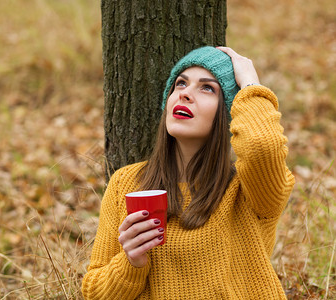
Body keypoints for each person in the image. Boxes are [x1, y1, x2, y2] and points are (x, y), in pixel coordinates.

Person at [81, 46, 295, 299]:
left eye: (207, 88)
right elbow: (94, 293)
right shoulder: (126, 182)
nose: (185, 94)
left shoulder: (250, 188)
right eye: (180, 84)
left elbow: (262, 144)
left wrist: (250, 85)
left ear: (229, 113)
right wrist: (131, 262)